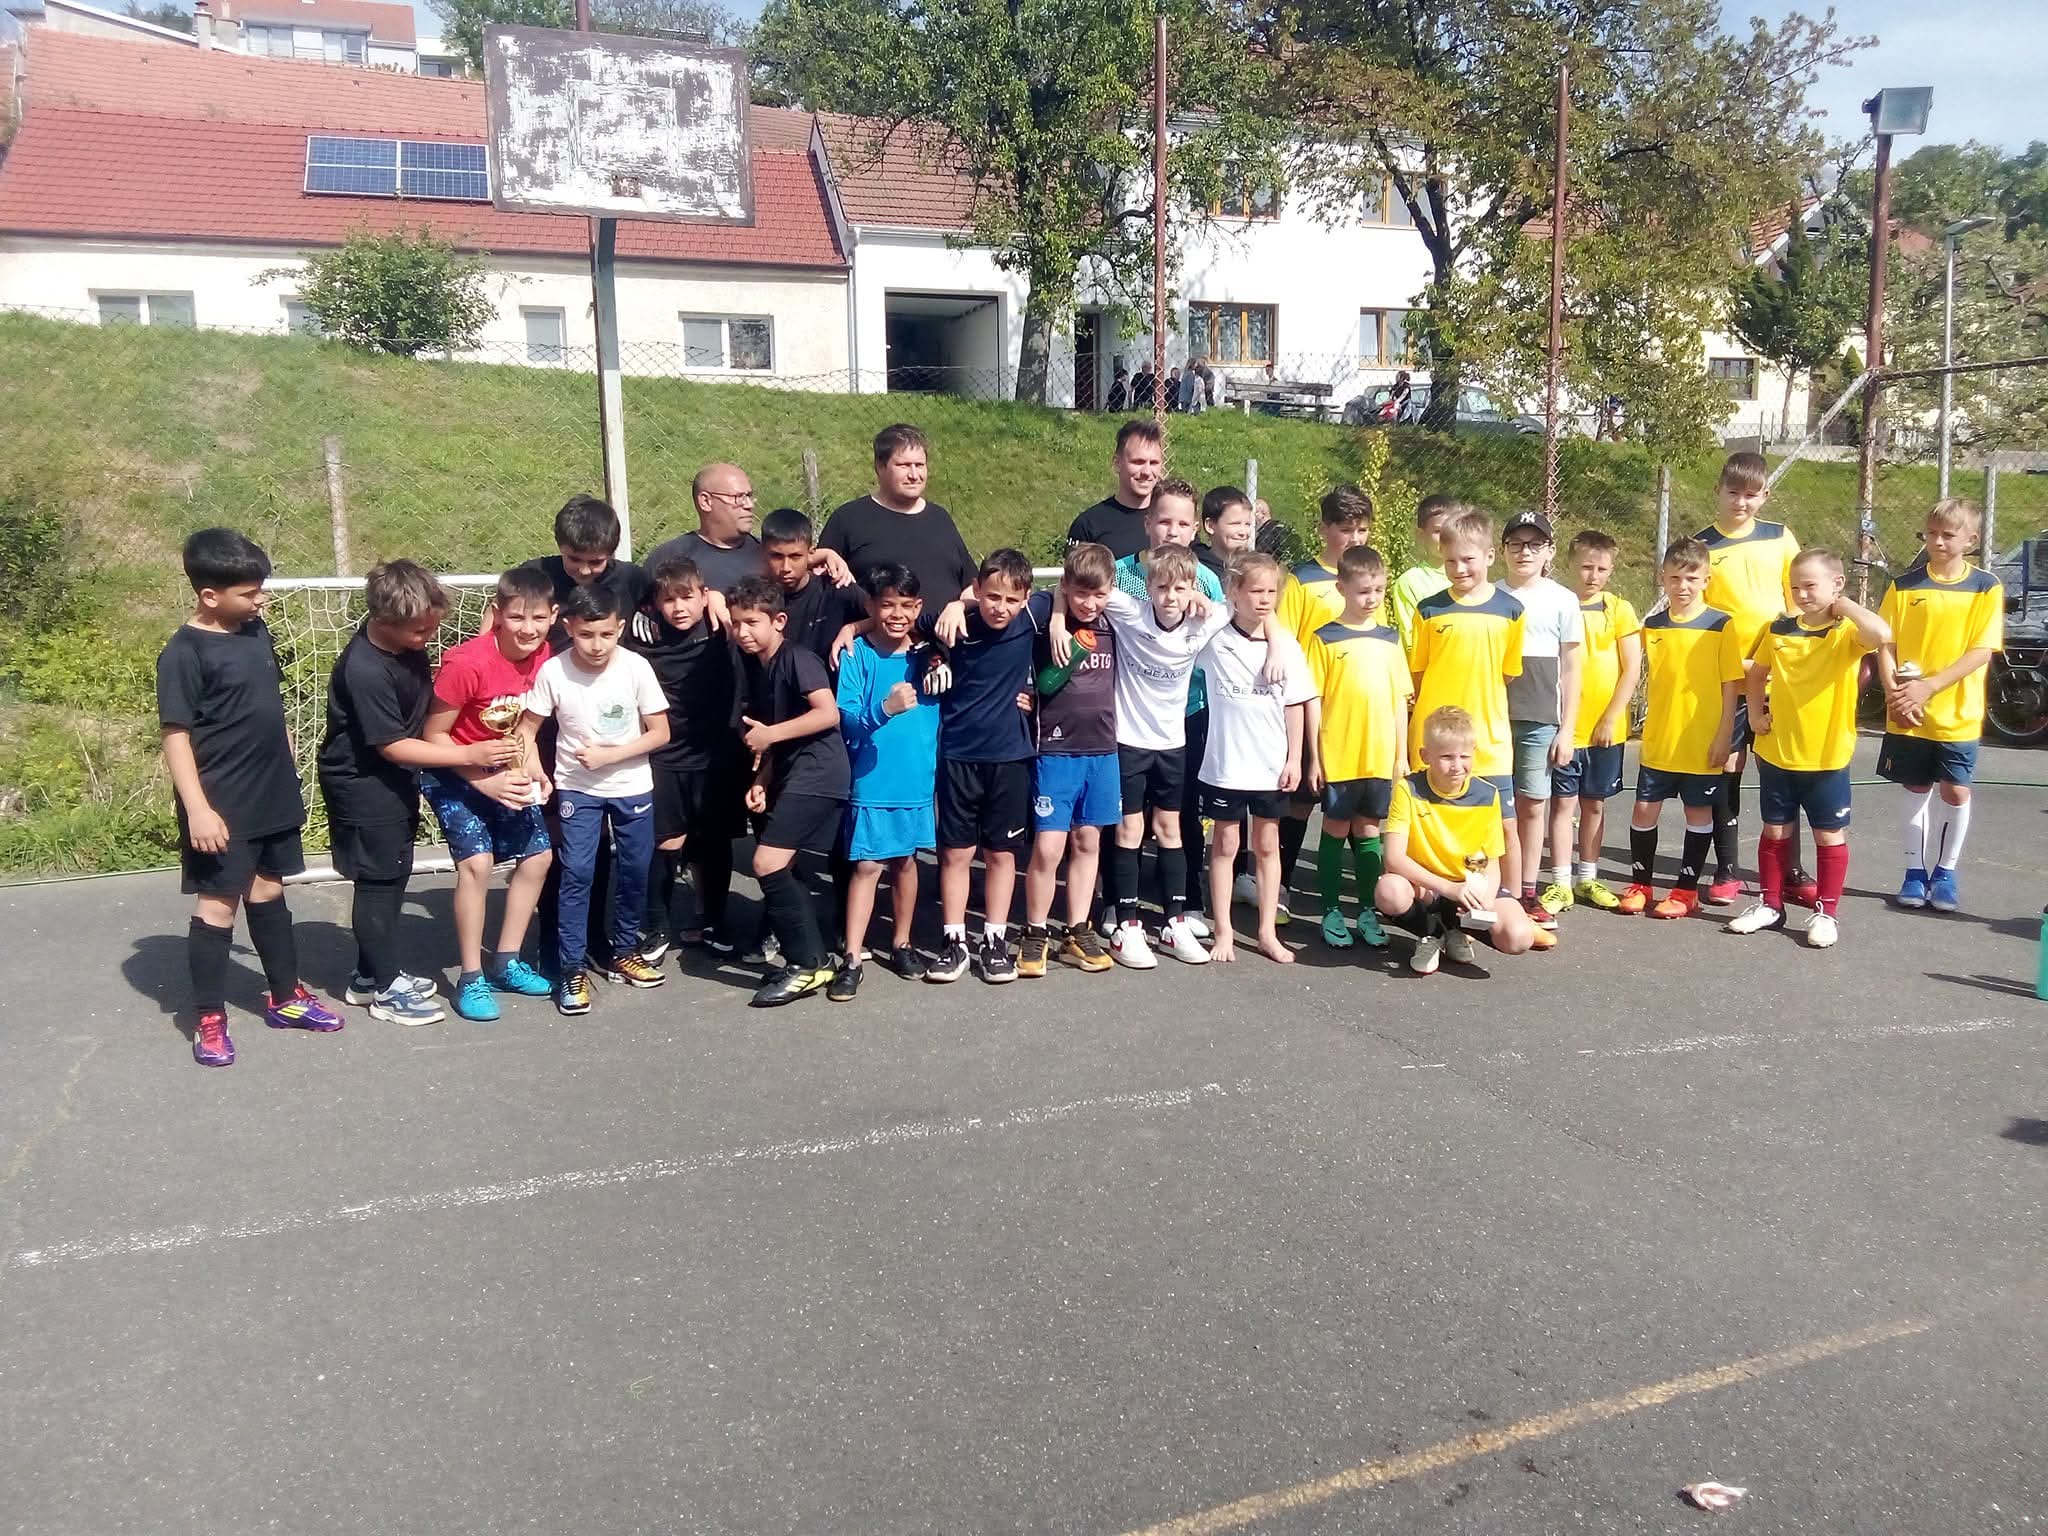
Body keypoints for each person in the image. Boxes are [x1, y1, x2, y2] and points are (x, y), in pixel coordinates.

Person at [157, 528, 343, 1067]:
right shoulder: (184, 653)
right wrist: (198, 809)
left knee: (268, 889)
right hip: (221, 803)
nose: (261, 599)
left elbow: (267, 704)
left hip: (271, 791)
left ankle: (286, 998)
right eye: (249, 592)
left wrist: (287, 764)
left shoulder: (254, 630)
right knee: (219, 902)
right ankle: (208, 1018)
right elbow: (176, 736)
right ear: (209, 595)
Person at [319, 560, 509, 1028]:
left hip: (395, 779)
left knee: (394, 875)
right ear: (383, 620)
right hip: (363, 784)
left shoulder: (405, 646)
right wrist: (468, 754)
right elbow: (392, 745)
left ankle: (368, 976)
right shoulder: (366, 669)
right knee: (378, 883)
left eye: (433, 625)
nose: (428, 635)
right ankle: (386, 989)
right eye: (420, 630)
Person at [517, 582, 671, 1015]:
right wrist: (533, 764)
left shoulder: (637, 668)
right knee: (578, 872)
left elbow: (661, 732)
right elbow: (526, 729)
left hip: (632, 786)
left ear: (620, 628)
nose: (597, 645)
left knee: (635, 870)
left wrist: (612, 755)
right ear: (568, 627)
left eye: (606, 634)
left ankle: (624, 951)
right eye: (586, 635)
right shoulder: (554, 671)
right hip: (577, 788)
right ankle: (572, 968)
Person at [1726, 549, 1889, 947]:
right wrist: (1755, 715)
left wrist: (1844, 605)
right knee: (1774, 830)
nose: (1802, 594)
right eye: (1795, 587)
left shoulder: (1846, 632)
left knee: (1828, 835)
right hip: (1778, 751)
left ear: (1836, 584)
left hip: (1826, 756)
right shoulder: (1779, 628)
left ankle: (1826, 913)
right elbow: (1758, 672)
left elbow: (1882, 634)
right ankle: (1770, 904)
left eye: (1811, 586)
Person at [419, 566, 559, 1022]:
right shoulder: (466, 663)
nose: (528, 629)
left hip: (503, 769)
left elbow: (524, 727)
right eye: (516, 617)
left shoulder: (544, 656)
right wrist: (482, 780)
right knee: (477, 864)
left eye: (538, 618)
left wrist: (533, 768)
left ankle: (506, 962)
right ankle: (471, 976)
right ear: (496, 614)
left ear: (554, 616)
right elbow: (433, 737)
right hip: (452, 771)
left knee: (538, 858)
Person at [1097, 545, 1239, 967]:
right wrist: (1053, 617)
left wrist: (1206, 601)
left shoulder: (1205, 620)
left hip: (1172, 745)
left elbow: (1247, 604)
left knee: (1170, 829)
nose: (1171, 597)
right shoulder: (1130, 612)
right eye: (1161, 588)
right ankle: (1126, 925)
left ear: (1193, 587)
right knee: (1129, 829)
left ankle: (1174, 922)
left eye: (1180, 588)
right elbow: (1078, 585)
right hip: (1129, 742)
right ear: (1148, 587)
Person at [727, 576, 852, 1007]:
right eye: (736, 623)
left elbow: (828, 713)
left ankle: (807, 963)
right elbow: (776, 734)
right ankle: (813, 959)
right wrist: (762, 780)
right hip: (794, 773)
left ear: (778, 620)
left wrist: (769, 736)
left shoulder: (798, 658)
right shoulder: (761, 667)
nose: (742, 632)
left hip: (821, 775)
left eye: (752, 622)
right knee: (781, 865)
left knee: (766, 861)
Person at [1876, 497, 2005, 914]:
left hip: (1957, 714)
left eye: (1948, 535)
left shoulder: (1985, 586)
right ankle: (1914, 872)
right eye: (1931, 534)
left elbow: (1981, 651)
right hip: (1909, 711)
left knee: (1955, 789)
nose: (1937, 542)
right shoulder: (1904, 586)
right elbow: (1885, 644)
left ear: (1971, 540)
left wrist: (1928, 687)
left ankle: (1945, 872)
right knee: (1915, 787)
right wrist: (1895, 693)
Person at [1197, 552, 1318, 964]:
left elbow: (1295, 703)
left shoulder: (1287, 648)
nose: (1265, 599)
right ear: (1235, 591)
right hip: (1226, 765)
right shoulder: (1215, 638)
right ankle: (1224, 931)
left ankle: (1267, 931)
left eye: (1271, 591)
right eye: (1255, 591)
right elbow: (1197, 620)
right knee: (1225, 844)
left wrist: (1294, 759)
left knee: (1267, 845)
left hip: (1270, 766)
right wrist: (1211, 603)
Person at [927, 548, 1041, 984]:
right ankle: (954, 942)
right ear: (977, 589)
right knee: (956, 852)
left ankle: (995, 941)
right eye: (992, 596)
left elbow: (1071, 592)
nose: (1001, 607)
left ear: (1027, 598)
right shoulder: (956, 622)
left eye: (1011, 600)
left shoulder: (1032, 619)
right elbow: (905, 618)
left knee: (1001, 853)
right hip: (958, 755)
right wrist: (956, 605)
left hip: (1010, 758)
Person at [1695, 450, 1802, 906]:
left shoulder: (1780, 537)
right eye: (1733, 492)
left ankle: (1791, 870)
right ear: (1718, 490)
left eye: (1751, 495)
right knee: (1728, 767)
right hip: (1731, 681)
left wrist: (1783, 658)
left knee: (1784, 771)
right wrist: (1733, 665)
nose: (1741, 502)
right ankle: (1727, 869)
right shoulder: (1702, 546)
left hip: (1777, 679)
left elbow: (1798, 605)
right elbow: (1700, 617)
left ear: (1765, 496)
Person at [1123, 480, 1230, 931]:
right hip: (1130, 716)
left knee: (1184, 811)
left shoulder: (1207, 580)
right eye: (1164, 520)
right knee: (1126, 817)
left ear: (1195, 530)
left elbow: (1233, 626)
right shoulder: (1123, 573)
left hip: (1188, 712)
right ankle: (1118, 904)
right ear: (1148, 522)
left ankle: (1188, 902)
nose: (1172, 530)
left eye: (1183, 523)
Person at [1406, 507, 1527, 904]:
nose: (1459, 569)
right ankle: (1433, 909)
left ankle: (1512, 904)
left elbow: (1507, 673)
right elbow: (1419, 674)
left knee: (1505, 826)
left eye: (1468, 559)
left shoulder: (1512, 611)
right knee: (1430, 825)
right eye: (1450, 561)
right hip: (1436, 741)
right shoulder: (1429, 610)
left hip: (1489, 742)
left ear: (1490, 556)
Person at [628, 552, 746, 957]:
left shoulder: (723, 629)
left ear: (704, 595)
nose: (679, 607)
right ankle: (658, 926)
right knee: (667, 842)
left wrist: (723, 605)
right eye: (669, 599)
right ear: (654, 604)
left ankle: (713, 920)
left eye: (687, 597)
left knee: (714, 842)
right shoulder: (642, 638)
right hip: (665, 756)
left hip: (716, 757)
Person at [833, 563, 940, 998]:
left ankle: (902, 943)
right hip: (872, 778)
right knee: (866, 865)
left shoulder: (930, 654)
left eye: (907, 605)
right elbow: (847, 719)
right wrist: (885, 709)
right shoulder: (856, 654)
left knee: (905, 862)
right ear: (870, 606)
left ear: (919, 607)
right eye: (887, 604)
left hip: (917, 778)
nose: (898, 614)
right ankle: (852, 957)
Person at [1271, 484, 1376, 924]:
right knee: (1301, 801)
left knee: (1356, 808)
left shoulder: (1371, 580)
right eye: (1345, 529)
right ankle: (1278, 884)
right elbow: (1283, 640)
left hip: (1357, 717)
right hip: (1312, 710)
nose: (1355, 538)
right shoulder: (1303, 580)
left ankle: (1363, 897)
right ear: (1324, 529)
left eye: (1362, 530)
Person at [1623, 538, 1743, 919]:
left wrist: (1725, 735)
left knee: (1698, 813)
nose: (1682, 586)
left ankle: (1685, 890)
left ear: (1706, 580)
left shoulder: (1722, 625)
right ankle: (1641, 884)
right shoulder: (1652, 626)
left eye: (1691, 578)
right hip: (1660, 741)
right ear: (1663, 578)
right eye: (1674, 578)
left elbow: (1731, 685)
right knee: (1644, 809)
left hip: (1702, 743)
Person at [1018, 544, 1122, 976]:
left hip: (1104, 750)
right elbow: (1031, 600)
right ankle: (1035, 931)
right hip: (1055, 751)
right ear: (1065, 587)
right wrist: (1060, 614)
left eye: (1099, 595)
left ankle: (1077, 930)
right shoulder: (1045, 617)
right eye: (1080, 593)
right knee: (1048, 847)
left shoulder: (1116, 621)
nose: (1090, 604)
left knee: (1088, 841)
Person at [1302, 545, 1410, 950]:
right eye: (1363, 591)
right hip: (1340, 755)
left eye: (1379, 590)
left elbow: (1399, 701)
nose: (1371, 599)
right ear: (1341, 588)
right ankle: (1331, 911)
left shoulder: (1389, 639)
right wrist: (1315, 757)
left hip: (1379, 757)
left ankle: (1367, 910)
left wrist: (1401, 755)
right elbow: (1314, 701)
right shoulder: (1324, 638)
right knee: (1335, 828)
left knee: (1368, 831)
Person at [1375, 706, 1536, 975]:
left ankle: (1456, 929)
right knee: (1389, 891)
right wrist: (1450, 889)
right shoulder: (1407, 788)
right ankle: (1432, 933)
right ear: (1425, 755)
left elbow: (1492, 861)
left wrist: (1485, 900)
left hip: (1468, 885)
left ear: (1474, 753)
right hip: (1426, 887)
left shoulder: (1488, 794)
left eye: (1464, 756)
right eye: (1446, 757)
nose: (1457, 766)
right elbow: (1394, 858)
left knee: (1518, 938)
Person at [1497, 510, 1582, 947]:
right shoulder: (1490, 595)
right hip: (1493, 716)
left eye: (1534, 544)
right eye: (1516, 543)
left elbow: (1572, 668)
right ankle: (1494, 887)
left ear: (1549, 551)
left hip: (1541, 719)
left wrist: (1567, 729)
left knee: (1532, 804)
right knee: (1490, 806)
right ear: (1502, 550)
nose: (1524, 552)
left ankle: (1527, 890)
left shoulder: (1563, 600)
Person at [818, 424, 978, 637]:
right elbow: (816, 582)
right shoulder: (849, 519)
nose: (914, 475)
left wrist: (959, 606)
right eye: (903, 465)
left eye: (920, 465)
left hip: (944, 651)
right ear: (880, 467)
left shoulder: (940, 518)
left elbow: (972, 585)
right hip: (876, 651)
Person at [1554, 530, 1641, 911]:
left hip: (1605, 732)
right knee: (1562, 806)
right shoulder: (1558, 604)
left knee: (1594, 805)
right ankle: (1560, 883)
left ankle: (1587, 878)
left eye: (1602, 569)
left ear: (1611, 569)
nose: (1593, 576)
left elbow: (1632, 668)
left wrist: (1611, 717)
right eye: (1586, 567)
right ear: (1570, 564)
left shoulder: (1619, 610)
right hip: (1566, 730)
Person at [529, 493, 651, 649]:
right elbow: (504, 612)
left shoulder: (631, 579)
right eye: (574, 559)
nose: (584, 570)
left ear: (610, 553)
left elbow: (665, 601)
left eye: (596, 562)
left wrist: (649, 611)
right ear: (560, 547)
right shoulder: (536, 576)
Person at [640, 462, 767, 597]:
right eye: (738, 497)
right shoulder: (668, 558)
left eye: (749, 496)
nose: (749, 505)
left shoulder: (770, 556)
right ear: (705, 502)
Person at [761, 506, 867, 663]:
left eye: (795, 557)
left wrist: (852, 629)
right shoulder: (756, 598)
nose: (786, 567)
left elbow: (881, 617)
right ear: (763, 553)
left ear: (811, 553)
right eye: (777, 556)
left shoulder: (836, 589)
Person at [1067, 419, 1164, 559]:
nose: (1147, 472)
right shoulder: (1089, 525)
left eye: (1154, 463)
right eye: (1138, 462)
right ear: (1117, 463)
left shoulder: (1174, 522)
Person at [1387, 493, 1458, 657]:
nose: (1445, 538)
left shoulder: (1470, 575)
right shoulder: (1410, 582)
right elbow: (1412, 641)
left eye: (1451, 530)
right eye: (1438, 531)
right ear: (1420, 535)